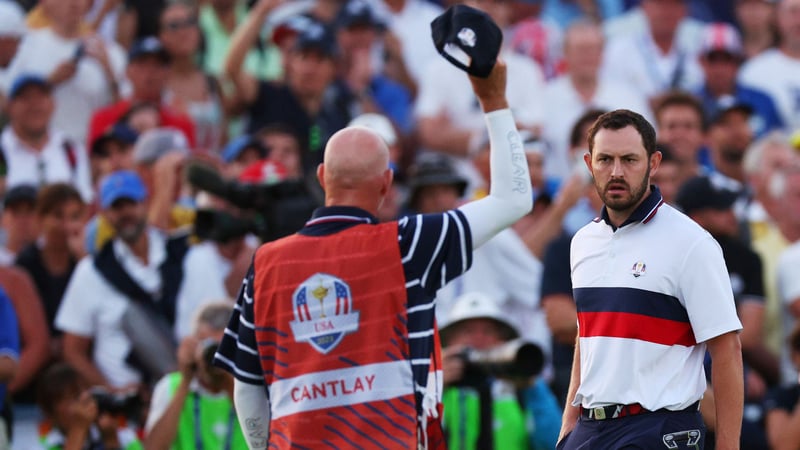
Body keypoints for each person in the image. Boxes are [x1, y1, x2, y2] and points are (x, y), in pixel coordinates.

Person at [213, 59, 533, 448]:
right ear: (387, 185)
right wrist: (493, 98)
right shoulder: (408, 243)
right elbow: (512, 200)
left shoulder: (266, 264)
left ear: (321, 177)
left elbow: (247, 384)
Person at [557, 109, 744, 449]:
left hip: (661, 429)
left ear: (653, 162)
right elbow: (588, 336)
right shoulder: (583, 242)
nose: (616, 171)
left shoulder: (692, 243)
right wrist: (569, 423)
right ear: (588, 164)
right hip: (589, 429)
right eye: (605, 160)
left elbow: (727, 350)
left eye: (629, 159)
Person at [440, 291, 561, 450]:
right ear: (448, 341)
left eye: (488, 331)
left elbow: (554, 443)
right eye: (467, 331)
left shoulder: (521, 387)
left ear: (503, 340)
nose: (478, 338)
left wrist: (532, 386)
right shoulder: (436, 386)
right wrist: (434, 386)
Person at [144, 302, 247, 450]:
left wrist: (229, 383)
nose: (215, 357)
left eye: (222, 347)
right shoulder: (171, 386)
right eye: (209, 347)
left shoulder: (249, 386)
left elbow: (264, 435)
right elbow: (153, 448)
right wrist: (186, 381)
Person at [34, 363, 143, 450]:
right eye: (73, 398)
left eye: (84, 394)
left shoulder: (123, 437)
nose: (84, 402)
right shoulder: (43, 446)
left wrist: (112, 444)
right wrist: (79, 428)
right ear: (50, 412)